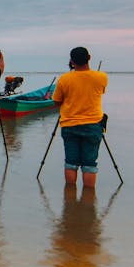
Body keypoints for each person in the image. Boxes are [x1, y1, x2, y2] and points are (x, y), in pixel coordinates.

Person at [51, 46, 107, 188]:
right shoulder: (101, 77)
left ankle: (70, 197)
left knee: (71, 162)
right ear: (89, 58)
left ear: (71, 61)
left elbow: (57, 101)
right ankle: (88, 200)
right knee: (89, 164)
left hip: (69, 124)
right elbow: (101, 91)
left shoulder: (64, 79)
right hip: (93, 124)